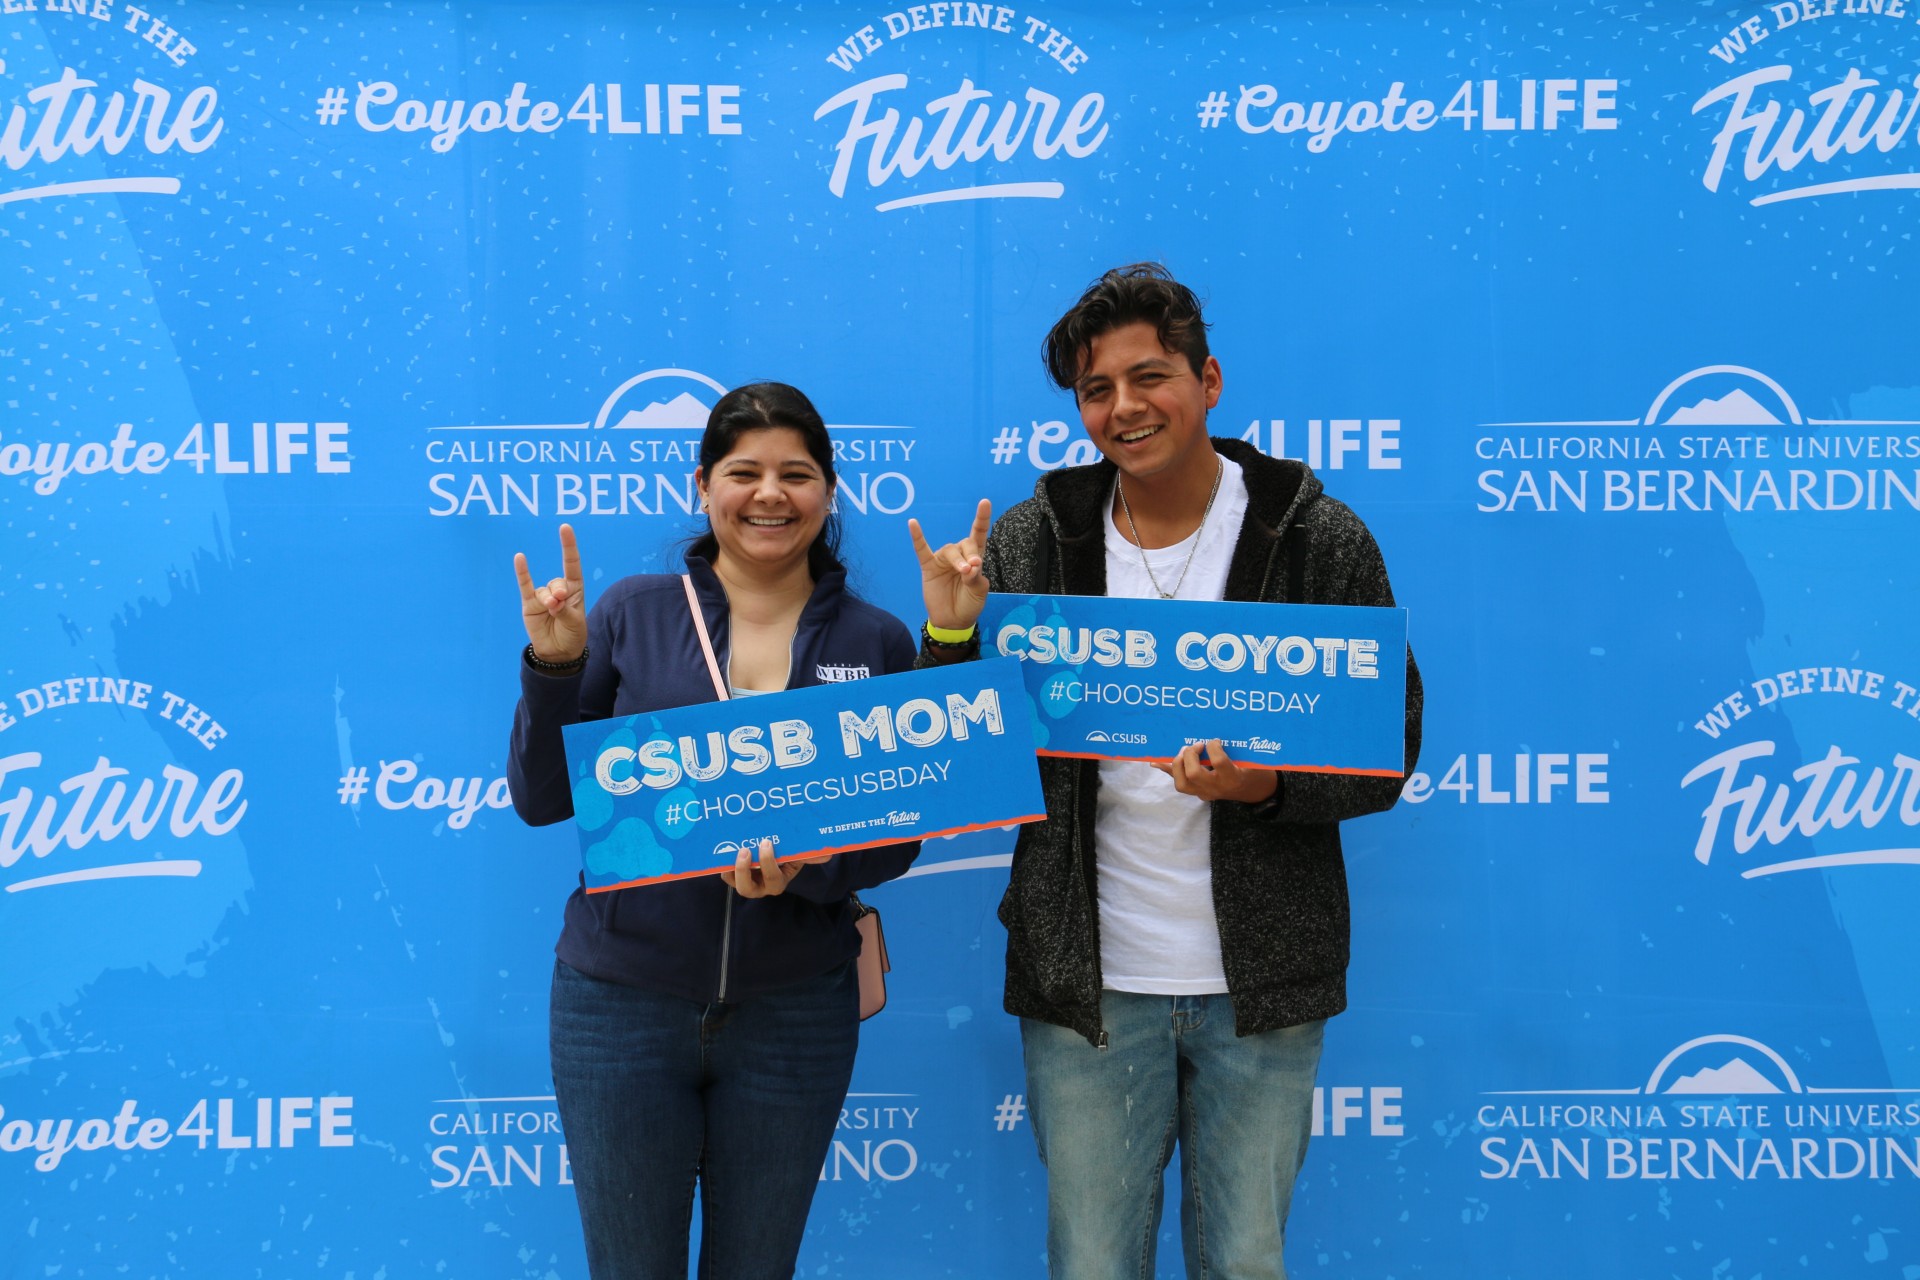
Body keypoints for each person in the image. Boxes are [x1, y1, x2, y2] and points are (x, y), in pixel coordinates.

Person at [909, 264, 1423, 1279]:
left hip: (1263, 988)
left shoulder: (1318, 537)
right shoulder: (1031, 537)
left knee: (1243, 1262)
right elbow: (964, 754)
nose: (1124, 408)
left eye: (1149, 377)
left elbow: (1385, 750)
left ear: (1209, 378)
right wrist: (948, 630)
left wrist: (1262, 788)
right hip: (1089, 987)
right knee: (1093, 1265)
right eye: (1096, 390)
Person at [509, 382, 920, 1280]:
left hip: (795, 1011)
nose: (770, 494)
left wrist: (813, 868)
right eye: (745, 472)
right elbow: (544, 797)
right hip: (621, 1002)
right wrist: (555, 661)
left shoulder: (878, 638)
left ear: (830, 490)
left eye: (796, 474)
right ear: (704, 484)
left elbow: (894, 841)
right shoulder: (632, 611)